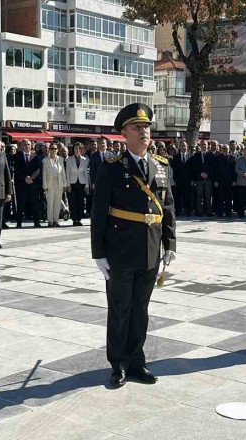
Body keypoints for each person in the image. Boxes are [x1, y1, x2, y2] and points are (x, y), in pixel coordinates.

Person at [91, 103, 176, 388]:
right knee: (120, 309)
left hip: (150, 250)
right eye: (137, 127)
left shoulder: (161, 167)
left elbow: (168, 208)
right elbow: (99, 212)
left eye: (146, 127)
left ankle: (137, 361)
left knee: (141, 308)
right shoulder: (112, 168)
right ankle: (118, 364)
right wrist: (99, 253)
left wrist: (170, 243)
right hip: (120, 251)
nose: (144, 131)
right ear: (124, 134)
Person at [13, 139, 43, 228]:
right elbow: (16, 170)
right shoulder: (17, 156)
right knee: (20, 203)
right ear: (21, 146)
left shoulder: (36, 156)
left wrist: (32, 177)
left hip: (33, 183)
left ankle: (36, 222)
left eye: (29, 144)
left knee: (34, 203)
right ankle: (19, 222)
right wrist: (25, 177)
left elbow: (38, 169)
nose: (27, 146)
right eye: (25, 144)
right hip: (21, 184)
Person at [42, 143, 67, 227]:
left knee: (57, 203)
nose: (54, 150)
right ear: (49, 150)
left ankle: (56, 220)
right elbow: (44, 173)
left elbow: (63, 171)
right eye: (52, 148)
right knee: (50, 203)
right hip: (50, 183)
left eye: (55, 149)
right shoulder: (45, 160)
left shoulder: (60, 159)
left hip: (59, 183)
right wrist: (45, 185)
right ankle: (50, 220)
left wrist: (65, 184)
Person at [65, 142, 89, 226]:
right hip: (72, 182)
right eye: (76, 148)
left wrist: (86, 185)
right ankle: (74, 219)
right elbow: (67, 172)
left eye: (79, 149)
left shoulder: (85, 159)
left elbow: (86, 173)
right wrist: (68, 185)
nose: (77, 150)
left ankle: (79, 219)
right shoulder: (69, 159)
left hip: (81, 182)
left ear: (81, 150)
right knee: (72, 201)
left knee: (81, 201)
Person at [189, 140, 213, 216]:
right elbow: (194, 167)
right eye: (202, 144)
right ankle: (198, 211)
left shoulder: (211, 155)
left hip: (208, 179)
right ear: (200, 146)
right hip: (199, 179)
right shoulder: (196, 155)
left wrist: (207, 174)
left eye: (205, 144)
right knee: (199, 196)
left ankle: (209, 211)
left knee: (208, 196)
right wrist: (200, 174)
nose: (203, 146)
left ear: (207, 145)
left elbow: (213, 167)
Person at [170, 141, 191, 216]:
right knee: (178, 196)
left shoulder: (190, 156)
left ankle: (188, 211)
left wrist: (192, 180)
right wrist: (174, 180)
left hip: (187, 180)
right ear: (179, 147)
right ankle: (177, 211)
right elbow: (174, 169)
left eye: (185, 146)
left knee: (187, 196)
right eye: (182, 146)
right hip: (178, 180)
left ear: (187, 147)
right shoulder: (175, 157)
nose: (183, 148)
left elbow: (192, 169)